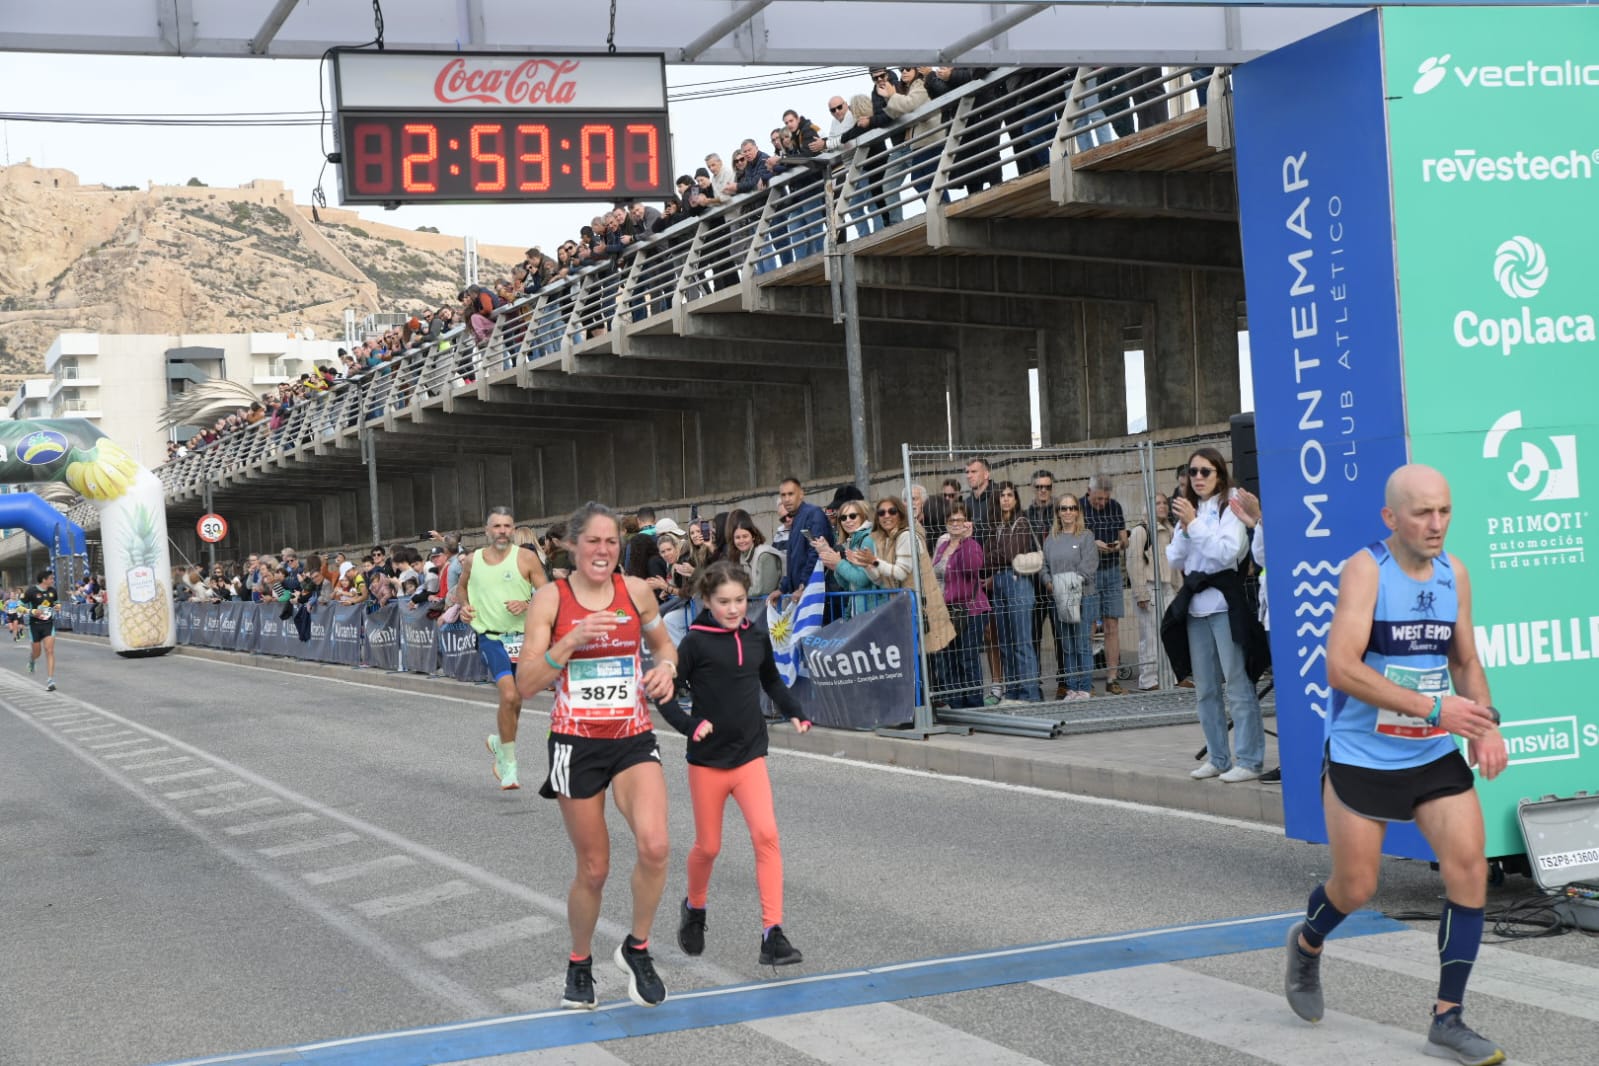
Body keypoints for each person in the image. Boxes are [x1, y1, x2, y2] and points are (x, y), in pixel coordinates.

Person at [1284, 464, 1508, 1066]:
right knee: (1357, 886)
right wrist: (1435, 706)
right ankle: (1307, 944)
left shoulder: (1454, 573)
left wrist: (1483, 724)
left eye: (1445, 511)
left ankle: (1448, 1017)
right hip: (1363, 754)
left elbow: (1464, 659)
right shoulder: (1366, 570)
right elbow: (1342, 668)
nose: (1436, 526)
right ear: (1391, 518)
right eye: (1422, 514)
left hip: (1432, 752)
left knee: (1469, 869)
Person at [515, 502, 678, 1011]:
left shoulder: (636, 592)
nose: (603, 551)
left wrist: (667, 669)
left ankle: (638, 948)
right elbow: (526, 685)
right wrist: (569, 643)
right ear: (573, 545)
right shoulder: (550, 599)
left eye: (611, 542)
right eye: (593, 542)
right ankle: (580, 961)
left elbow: (665, 647)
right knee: (594, 867)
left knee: (654, 846)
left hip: (631, 737)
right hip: (575, 743)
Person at [657, 561, 812, 967]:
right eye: (723, 601)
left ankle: (772, 934)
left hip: (749, 757)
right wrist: (690, 726)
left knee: (766, 836)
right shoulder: (694, 642)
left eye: (740, 600)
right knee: (708, 847)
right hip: (708, 762)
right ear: (706, 601)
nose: (733, 609)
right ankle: (694, 907)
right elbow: (666, 696)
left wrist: (795, 710)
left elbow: (772, 680)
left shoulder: (756, 635)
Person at [1164, 448, 1268, 783]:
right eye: (1193, 472)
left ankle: (1250, 759)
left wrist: (1194, 525)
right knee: (1205, 688)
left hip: (1225, 603)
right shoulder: (1192, 510)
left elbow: (1226, 553)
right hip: (1196, 606)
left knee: (1238, 683)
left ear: (1220, 474)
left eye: (1205, 472)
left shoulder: (1230, 503)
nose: (1198, 478)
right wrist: (1185, 525)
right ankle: (1218, 756)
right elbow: (1176, 559)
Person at [459, 506, 548, 791]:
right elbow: (461, 589)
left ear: (513, 529)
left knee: (515, 701)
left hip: (524, 638)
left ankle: (500, 742)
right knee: (508, 693)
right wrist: (464, 607)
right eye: (496, 526)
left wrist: (527, 604)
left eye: (507, 526)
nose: (502, 531)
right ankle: (508, 764)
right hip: (491, 636)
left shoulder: (526, 558)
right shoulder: (473, 561)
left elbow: (548, 594)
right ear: (487, 531)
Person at [985, 481, 1044, 702]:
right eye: (1002, 495)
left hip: (1018, 582)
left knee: (1022, 642)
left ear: (1016, 499)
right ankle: (1013, 692)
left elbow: (1010, 554)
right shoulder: (996, 525)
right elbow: (985, 559)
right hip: (999, 582)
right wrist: (997, 557)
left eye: (1010, 495)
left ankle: (1030, 694)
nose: (1006, 499)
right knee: (1006, 643)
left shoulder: (1021, 523)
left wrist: (996, 556)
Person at [929, 504, 990, 708]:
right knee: (950, 659)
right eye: (951, 520)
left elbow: (971, 569)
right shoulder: (943, 546)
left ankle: (974, 705)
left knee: (967, 658)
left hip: (970, 610)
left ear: (967, 522)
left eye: (960, 520)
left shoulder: (971, 545)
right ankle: (956, 704)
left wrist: (965, 539)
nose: (955, 524)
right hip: (947, 612)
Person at [1042, 495, 1098, 701]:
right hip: (1059, 599)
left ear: (1078, 511)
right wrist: (1049, 582)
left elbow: (1089, 566)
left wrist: (1069, 585)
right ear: (1058, 512)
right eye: (1063, 508)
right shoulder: (1051, 539)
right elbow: (1044, 565)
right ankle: (1072, 688)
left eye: (1072, 508)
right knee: (1067, 645)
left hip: (1083, 597)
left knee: (1082, 643)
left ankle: (1084, 688)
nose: (1067, 512)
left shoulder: (1086, 536)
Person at [1081, 474, 1129, 695]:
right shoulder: (1078, 508)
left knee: (1112, 625)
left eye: (1105, 499)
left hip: (1111, 570)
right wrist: (1092, 544)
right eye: (1098, 499)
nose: (1102, 503)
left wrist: (1120, 543)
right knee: (1088, 626)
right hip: (1089, 573)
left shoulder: (1115, 507)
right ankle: (1086, 680)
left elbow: (1124, 537)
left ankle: (1112, 678)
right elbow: (1071, 538)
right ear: (1088, 491)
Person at [1127, 493, 1177, 691]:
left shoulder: (1171, 530)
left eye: (1165, 502)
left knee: (1169, 635)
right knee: (1150, 635)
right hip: (1148, 586)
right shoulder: (1141, 531)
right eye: (1157, 503)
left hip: (1168, 587)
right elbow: (1134, 563)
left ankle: (1169, 677)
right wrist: (1141, 593)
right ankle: (1148, 680)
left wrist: (1177, 588)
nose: (1162, 506)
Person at [23, 570, 59, 691]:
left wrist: (58, 606)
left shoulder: (52, 591)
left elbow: (56, 603)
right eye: (51, 578)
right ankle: (32, 659)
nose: (52, 580)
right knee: (37, 653)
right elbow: (18, 605)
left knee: (49, 651)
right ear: (44, 579)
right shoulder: (31, 591)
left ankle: (50, 680)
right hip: (35, 625)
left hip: (48, 624)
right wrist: (31, 611)